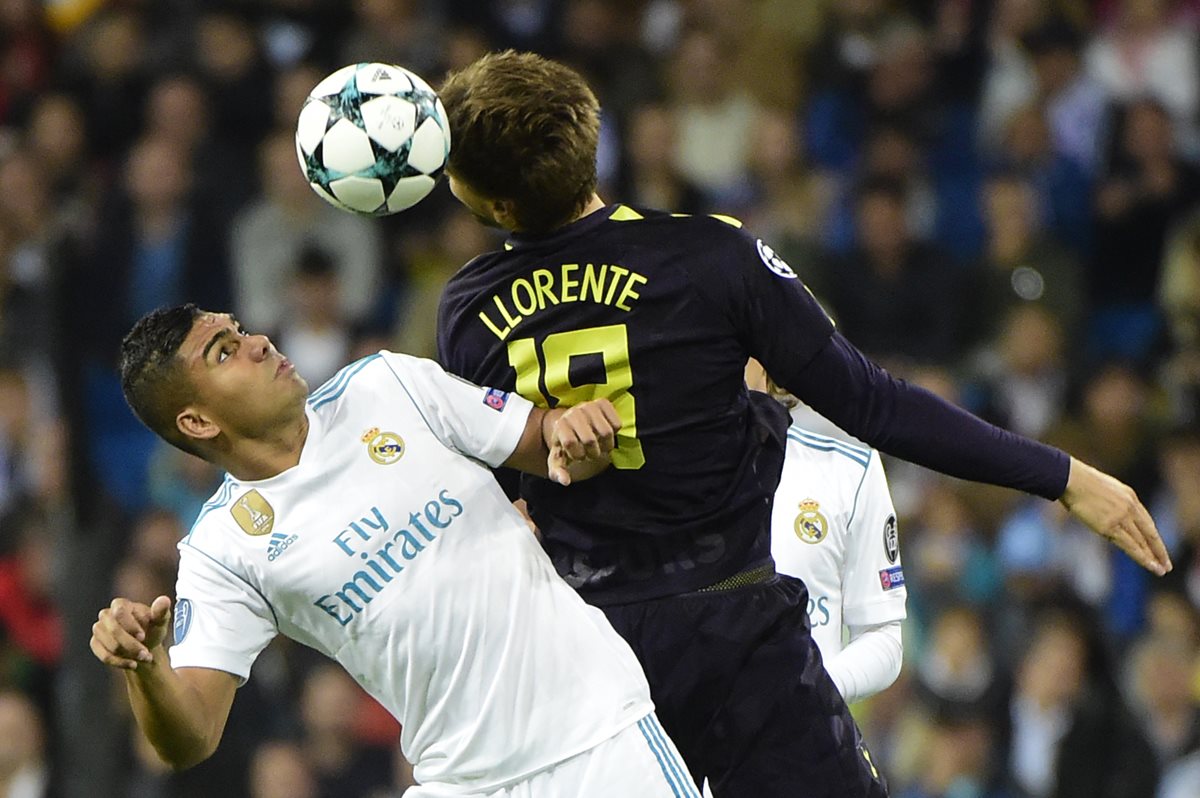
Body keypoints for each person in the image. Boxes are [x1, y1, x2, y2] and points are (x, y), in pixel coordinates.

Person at [434, 50, 1170, 797]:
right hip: (738, 638)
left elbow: (495, 498)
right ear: (594, 142)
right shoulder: (711, 256)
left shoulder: (466, 312)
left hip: (591, 660)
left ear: (494, 204)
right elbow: (876, 403)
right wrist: (1064, 477)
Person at [88, 304, 699, 798]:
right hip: (461, 779)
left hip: (599, 731)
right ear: (196, 423)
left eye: (241, 331)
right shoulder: (222, 549)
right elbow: (188, 740)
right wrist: (146, 668)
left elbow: (547, 446)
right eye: (224, 352)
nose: (259, 343)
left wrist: (576, 438)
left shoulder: (387, 384)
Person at [746, 360, 906, 706]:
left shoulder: (849, 466)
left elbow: (883, 638)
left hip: (804, 744)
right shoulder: (657, 471)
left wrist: (812, 689)